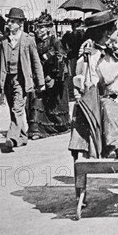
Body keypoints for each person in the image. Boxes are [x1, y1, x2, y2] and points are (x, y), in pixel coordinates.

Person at [69, 10, 118, 159]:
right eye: (114, 28)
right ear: (107, 32)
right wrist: (88, 59)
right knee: (107, 106)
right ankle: (117, 146)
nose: (117, 31)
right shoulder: (90, 55)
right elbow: (87, 84)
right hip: (106, 98)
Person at [0, 7, 45, 152]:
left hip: (21, 80)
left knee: (17, 108)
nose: (9, 24)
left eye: (13, 21)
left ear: (20, 23)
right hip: (6, 79)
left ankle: (12, 137)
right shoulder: (2, 41)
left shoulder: (28, 40)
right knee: (12, 108)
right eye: (9, 21)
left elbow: (36, 62)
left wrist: (40, 82)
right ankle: (21, 137)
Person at [26, 12, 70, 140]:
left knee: (52, 104)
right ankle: (35, 129)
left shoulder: (54, 41)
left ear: (49, 28)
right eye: (38, 27)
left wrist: (50, 55)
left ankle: (56, 126)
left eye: (42, 27)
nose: (39, 30)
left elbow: (62, 55)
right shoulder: (34, 41)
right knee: (37, 100)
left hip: (54, 76)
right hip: (39, 75)